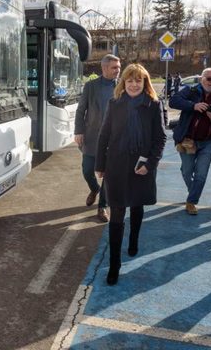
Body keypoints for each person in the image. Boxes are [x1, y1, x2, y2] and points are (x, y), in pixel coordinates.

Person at [95, 64, 166, 286]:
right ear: (123, 83)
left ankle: (133, 239)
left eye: (138, 81)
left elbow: (160, 138)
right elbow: (104, 135)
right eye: (129, 81)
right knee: (117, 213)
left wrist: (150, 164)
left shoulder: (153, 105)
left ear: (145, 84)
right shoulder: (114, 104)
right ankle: (114, 264)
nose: (134, 85)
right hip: (116, 166)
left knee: (137, 206)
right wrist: (100, 164)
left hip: (140, 167)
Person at [169, 68, 211, 215]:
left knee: (200, 175)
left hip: (208, 143)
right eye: (209, 78)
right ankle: (193, 193)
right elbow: (173, 101)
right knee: (187, 172)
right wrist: (194, 106)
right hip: (187, 141)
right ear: (201, 79)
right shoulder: (190, 91)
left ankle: (192, 201)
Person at [75, 54, 121, 222]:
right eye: (114, 67)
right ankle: (94, 189)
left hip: (114, 139)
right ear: (104, 68)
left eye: (119, 67)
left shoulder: (122, 86)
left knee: (109, 175)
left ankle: (102, 207)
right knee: (87, 170)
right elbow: (81, 111)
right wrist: (78, 131)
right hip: (92, 136)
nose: (118, 71)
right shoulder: (91, 86)